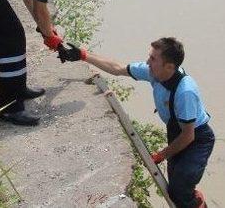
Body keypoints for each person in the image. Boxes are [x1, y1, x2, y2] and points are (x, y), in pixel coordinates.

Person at [58, 37, 214, 208]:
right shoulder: (154, 72)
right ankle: (196, 201)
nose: (148, 62)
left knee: (180, 187)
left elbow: (188, 135)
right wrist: (83, 55)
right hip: (177, 132)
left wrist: (162, 154)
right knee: (177, 191)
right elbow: (117, 68)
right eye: (150, 56)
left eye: (153, 59)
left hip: (197, 138)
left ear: (169, 66)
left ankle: (197, 202)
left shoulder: (185, 92)